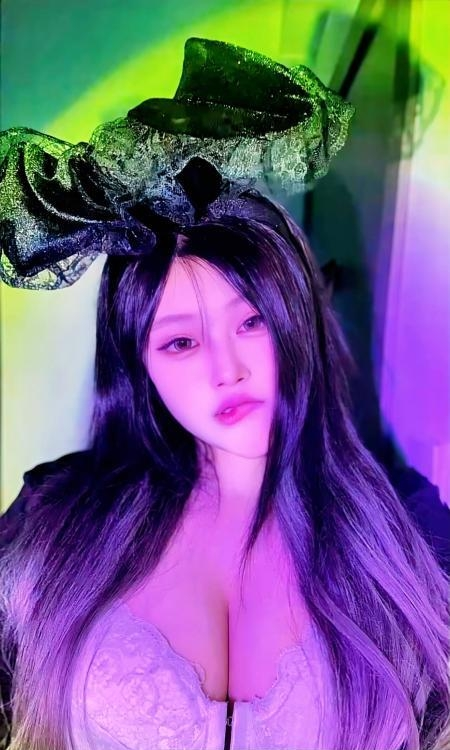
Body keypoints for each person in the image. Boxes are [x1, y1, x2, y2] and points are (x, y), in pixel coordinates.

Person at [0, 37, 449, 750]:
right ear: (138, 364)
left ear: (295, 315)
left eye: (252, 321)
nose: (226, 370)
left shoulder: (409, 526)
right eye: (180, 342)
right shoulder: (55, 517)